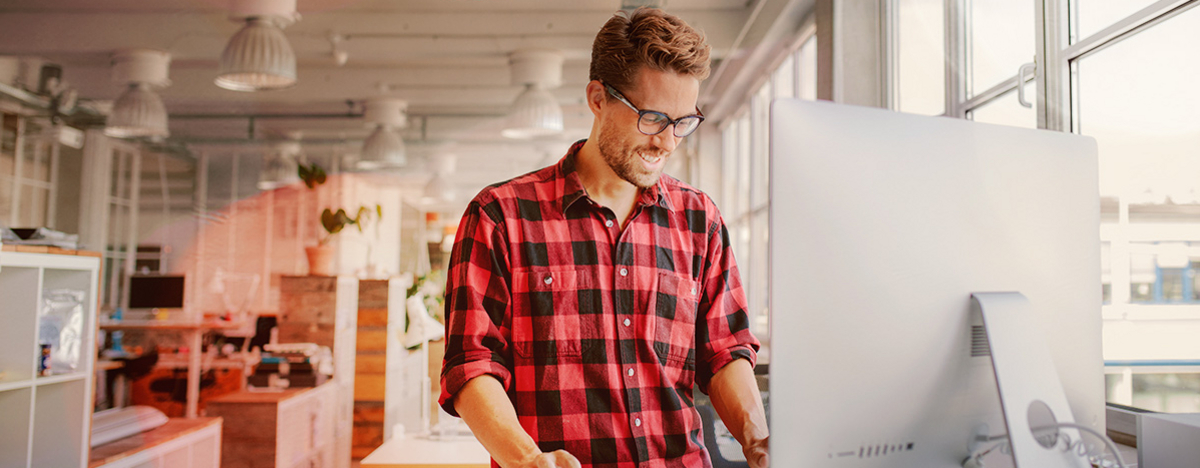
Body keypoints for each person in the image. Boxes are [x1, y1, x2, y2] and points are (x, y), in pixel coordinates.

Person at [439, 7, 768, 468]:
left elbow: (724, 351)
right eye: (652, 118)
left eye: (683, 122)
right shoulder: (500, 217)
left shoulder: (700, 219)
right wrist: (528, 459)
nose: (668, 143)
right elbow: (471, 366)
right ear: (598, 98)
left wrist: (757, 439)